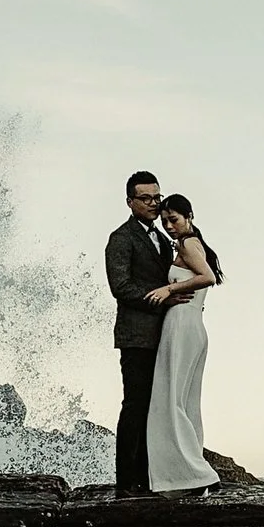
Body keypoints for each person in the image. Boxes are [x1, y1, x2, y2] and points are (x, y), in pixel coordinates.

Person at [104, 172, 176, 494]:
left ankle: (149, 479)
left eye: (157, 197)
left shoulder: (164, 238)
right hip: (136, 336)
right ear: (130, 202)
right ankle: (126, 482)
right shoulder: (120, 238)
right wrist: (163, 297)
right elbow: (120, 287)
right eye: (145, 198)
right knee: (136, 405)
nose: (153, 203)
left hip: (165, 335)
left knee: (157, 407)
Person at [144, 193, 220, 494]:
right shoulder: (192, 244)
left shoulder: (189, 243)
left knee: (169, 399)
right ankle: (190, 476)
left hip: (181, 323)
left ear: (189, 216)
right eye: (164, 222)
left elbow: (207, 277)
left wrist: (167, 289)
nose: (169, 226)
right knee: (185, 403)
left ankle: (195, 474)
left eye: (173, 219)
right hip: (193, 325)